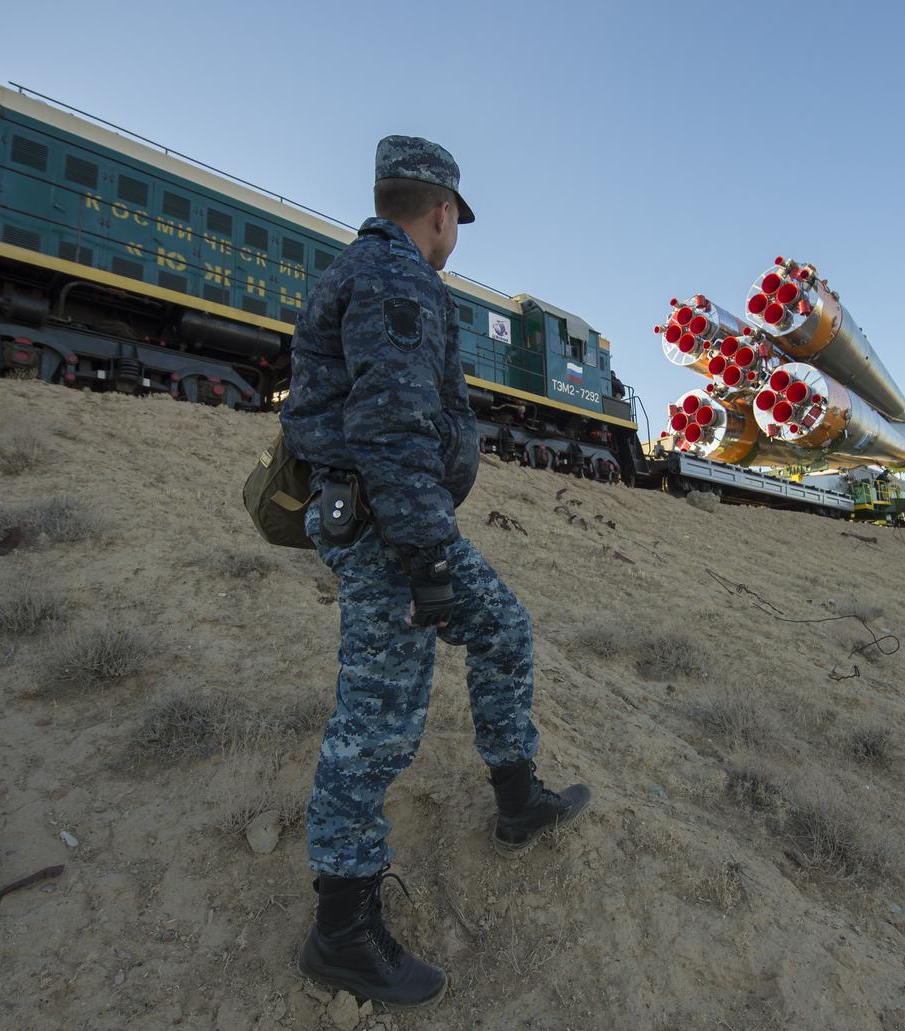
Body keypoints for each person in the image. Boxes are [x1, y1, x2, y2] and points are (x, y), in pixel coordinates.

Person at [279, 136, 590, 1008]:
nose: (456, 234)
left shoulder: (374, 271)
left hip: (393, 518)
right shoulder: (395, 277)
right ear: (442, 212)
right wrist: (426, 559)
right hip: (389, 525)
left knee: (503, 626)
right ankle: (340, 931)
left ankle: (517, 795)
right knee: (376, 725)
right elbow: (389, 428)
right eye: (458, 220)